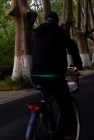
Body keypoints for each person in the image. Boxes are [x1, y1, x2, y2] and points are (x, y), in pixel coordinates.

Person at [30, 11, 84, 140]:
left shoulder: (36, 32)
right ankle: (66, 134)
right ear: (57, 21)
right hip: (54, 76)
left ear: (44, 20)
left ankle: (43, 112)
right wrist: (78, 65)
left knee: (45, 96)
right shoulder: (60, 32)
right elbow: (72, 48)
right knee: (65, 106)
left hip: (35, 75)